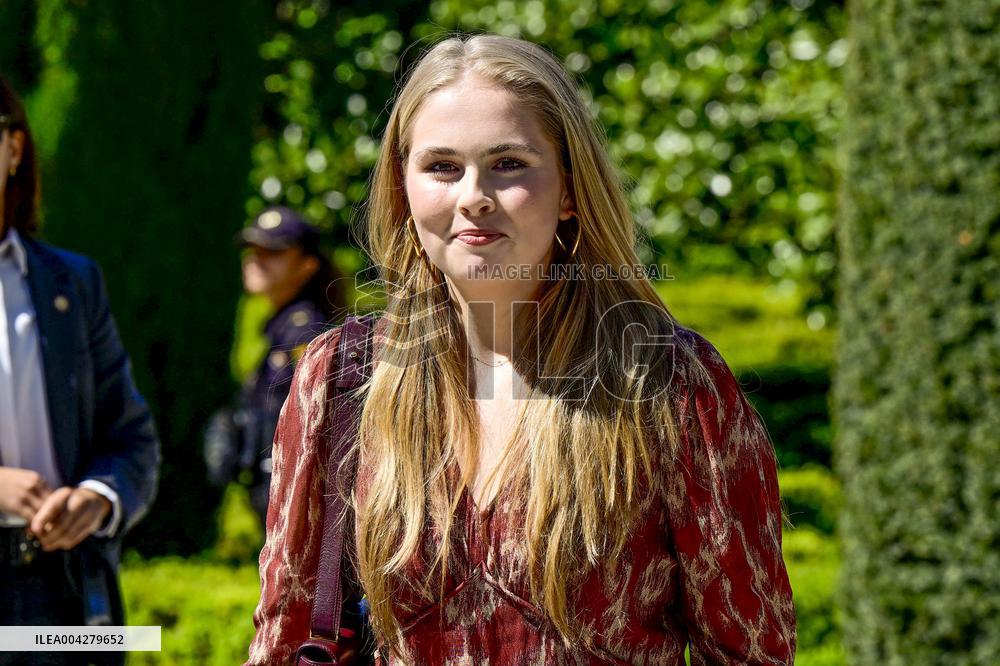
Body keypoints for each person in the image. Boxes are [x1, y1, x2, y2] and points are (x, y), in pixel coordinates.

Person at [247, 34, 796, 665]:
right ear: (403, 190)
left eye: (508, 163)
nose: (472, 194)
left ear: (568, 189)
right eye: (441, 167)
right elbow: (284, 638)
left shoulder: (669, 382)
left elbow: (750, 651)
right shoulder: (339, 378)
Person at [0, 74, 160, 666]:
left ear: (14, 149)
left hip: (65, 595)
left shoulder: (73, 283)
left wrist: (97, 497)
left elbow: (132, 440)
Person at [206, 206, 340, 526]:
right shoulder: (279, 326)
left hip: (297, 496)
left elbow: (320, 420)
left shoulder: (306, 330)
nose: (256, 259)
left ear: (307, 265)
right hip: (273, 489)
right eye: (253, 250)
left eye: (274, 252)